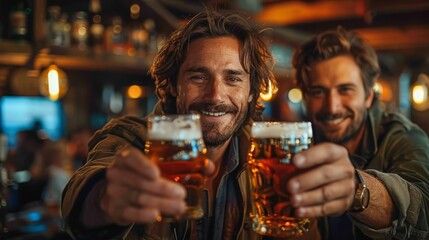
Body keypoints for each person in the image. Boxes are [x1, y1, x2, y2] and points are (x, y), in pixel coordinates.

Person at [61, 10, 313, 240]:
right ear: (172, 84)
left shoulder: (267, 154)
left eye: (233, 78)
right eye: (199, 76)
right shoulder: (133, 137)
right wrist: (105, 199)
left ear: (251, 92)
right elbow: (83, 195)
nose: (215, 96)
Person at [291, 27, 429, 239]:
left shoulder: (403, 136)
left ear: (368, 96)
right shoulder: (297, 141)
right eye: (318, 92)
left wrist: (357, 191)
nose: (332, 107)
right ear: (306, 98)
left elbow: (424, 210)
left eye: (345, 89)